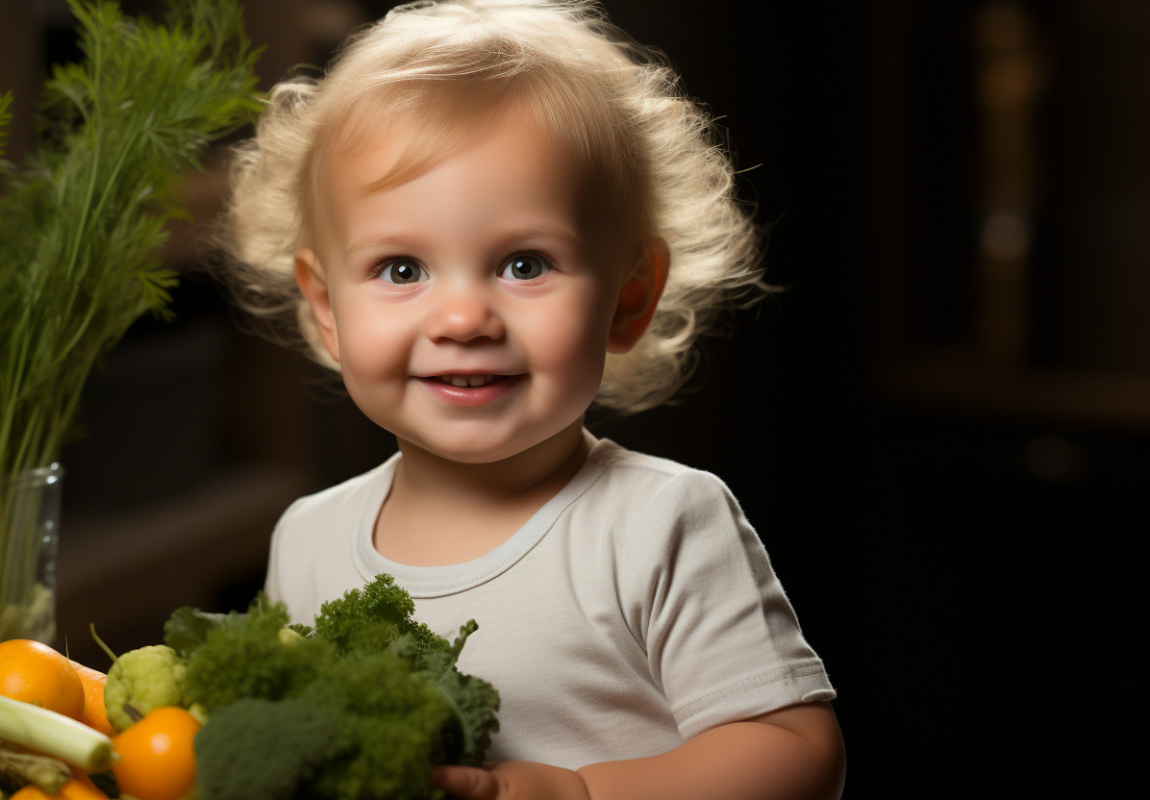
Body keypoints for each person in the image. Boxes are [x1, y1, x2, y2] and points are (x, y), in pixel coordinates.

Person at [210, 1, 845, 798]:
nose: (464, 319)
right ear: (328, 308)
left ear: (628, 298)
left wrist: (575, 793)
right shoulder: (306, 542)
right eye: (402, 270)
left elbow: (799, 754)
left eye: (524, 265)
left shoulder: (659, 524)